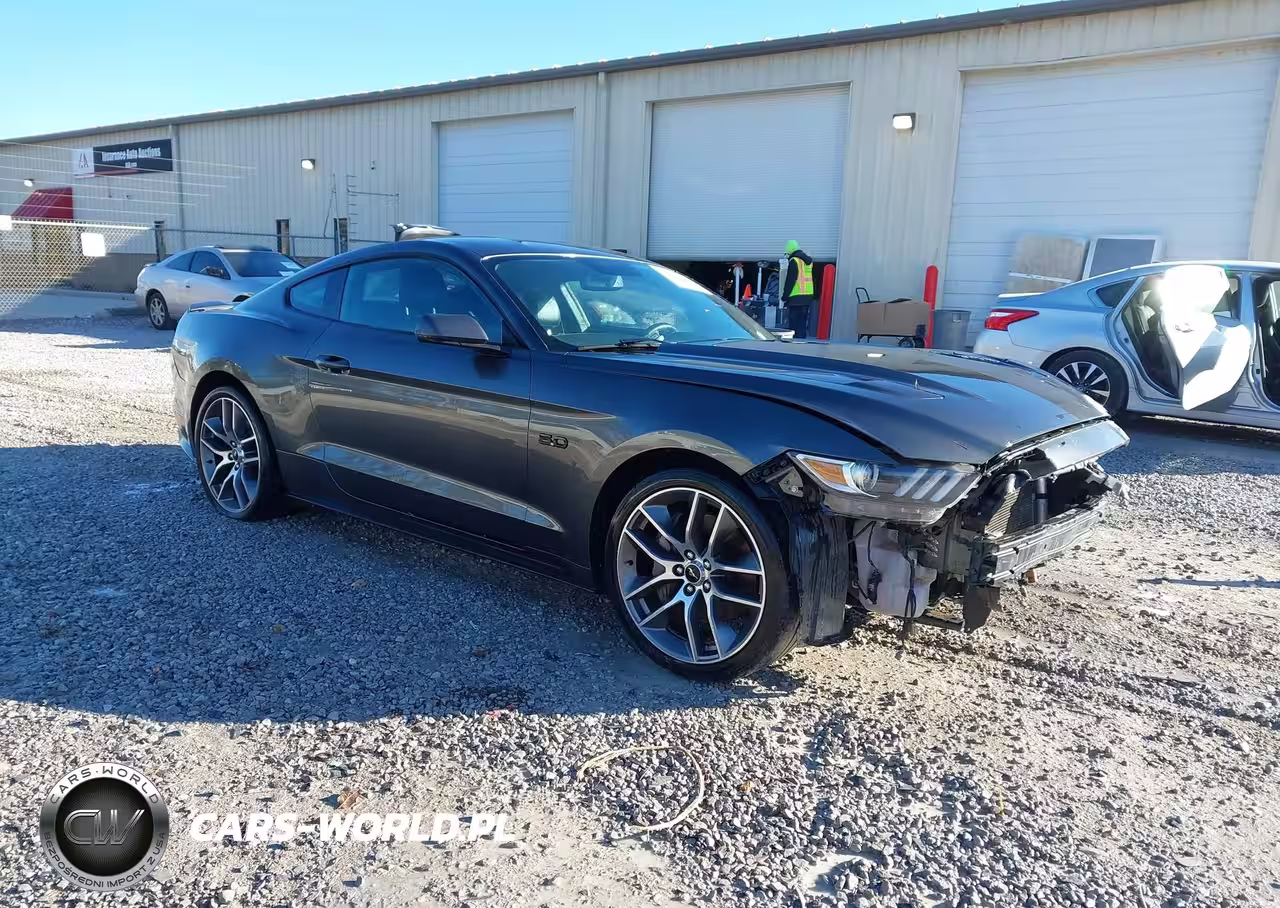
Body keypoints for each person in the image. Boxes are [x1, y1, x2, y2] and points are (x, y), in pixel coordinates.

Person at [782, 240, 815, 338]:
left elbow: (790, 280)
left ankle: (795, 345)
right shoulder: (808, 261)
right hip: (807, 296)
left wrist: (785, 296)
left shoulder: (794, 261)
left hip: (796, 297)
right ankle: (802, 343)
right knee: (802, 323)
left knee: (794, 325)